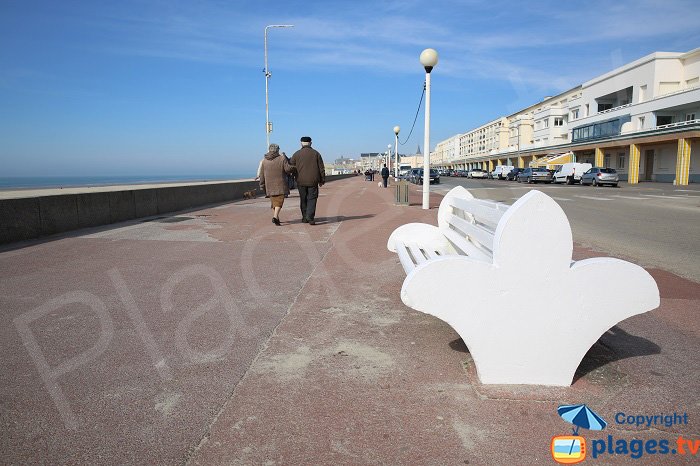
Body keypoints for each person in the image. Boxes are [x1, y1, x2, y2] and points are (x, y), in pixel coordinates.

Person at [290, 136, 325, 225]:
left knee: (303, 199)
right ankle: (310, 217)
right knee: (312, 199)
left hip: (300, 181)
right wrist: (322, 180)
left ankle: (305, 217)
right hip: (313, 181)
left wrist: (295, 176)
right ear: (311, 143)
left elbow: (291, 167)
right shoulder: (316, 153)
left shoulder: (296, 154)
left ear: (301, 143)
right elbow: (321, 168)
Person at [259, 143, 293, 226]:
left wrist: (262, 185)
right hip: (280, 184)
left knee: (274, 202)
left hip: (269, 185)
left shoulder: (264, 161)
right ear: (277, 150)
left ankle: (277, 218)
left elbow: (261, 175)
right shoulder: (282, 159)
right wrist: (293, 166)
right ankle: (274, 216)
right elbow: (288, 169)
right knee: (279, 201)